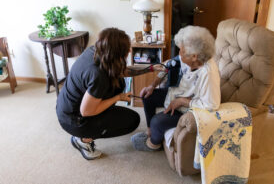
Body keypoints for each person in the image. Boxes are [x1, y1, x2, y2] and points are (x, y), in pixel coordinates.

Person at [56, 28, 164, 160]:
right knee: (132, 121)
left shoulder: (95, 51)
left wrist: (151, 68)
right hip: (74, 119)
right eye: (126, 50)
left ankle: (90, 127)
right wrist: (118, 97)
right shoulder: (98, 75)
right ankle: (83, 140)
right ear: (116, 53)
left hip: (67, 107)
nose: (129, 51)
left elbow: (120, 70)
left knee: (116, 85)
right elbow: (86, 111)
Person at [131, 25, 221, 151]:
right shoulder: (187, 57)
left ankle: (153, 144)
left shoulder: (208, 73)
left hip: (187, 108)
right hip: (176, 94)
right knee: (147, 96)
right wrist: (152, 86)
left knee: (158, 121)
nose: (179, 54)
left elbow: (212, 104)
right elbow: (166, 67)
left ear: (194, 56)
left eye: (182, 51)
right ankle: (150, 132)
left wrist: (182, 101)